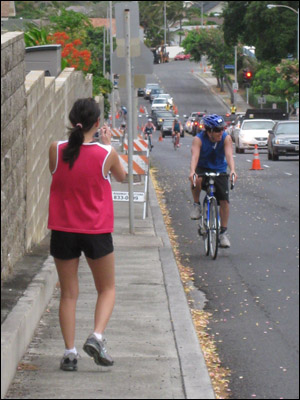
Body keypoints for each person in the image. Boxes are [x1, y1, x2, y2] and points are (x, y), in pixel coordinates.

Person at [48, 98, 126, 371]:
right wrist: (107, 145)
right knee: (107, 289)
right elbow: (123, 176)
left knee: (68, 294)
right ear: (98, 124)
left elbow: (57, 174)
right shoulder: (106, 154)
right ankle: (97, 336)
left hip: (63, 230)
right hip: (96, 230)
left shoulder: (55, 149)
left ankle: (69, 354)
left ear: (71, 120)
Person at [189, 114, 237, 248]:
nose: (220, 132)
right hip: (203, 168)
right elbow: (194, 157)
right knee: (196, 179)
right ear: (208, 131)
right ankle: (197, 205)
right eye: (217, 130)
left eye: (222, 129)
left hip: (219, 170)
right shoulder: (198, 140)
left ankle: (223, 233)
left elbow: (229, 155)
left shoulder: (225, 138)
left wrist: (232, 169)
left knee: (224, 201)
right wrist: (192, 171)